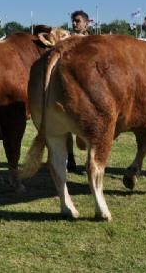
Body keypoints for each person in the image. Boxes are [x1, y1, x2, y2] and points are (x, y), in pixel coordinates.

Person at [66, 10, 90, 171]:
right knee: (66, 125)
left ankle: (90, 162)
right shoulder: (67, 40)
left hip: (87, 88)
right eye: (73, 21)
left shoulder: (92, 42)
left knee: (89, 127)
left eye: (78, 21)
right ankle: (70, 159)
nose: (75, 24)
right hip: (69, 86)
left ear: (86, 24)